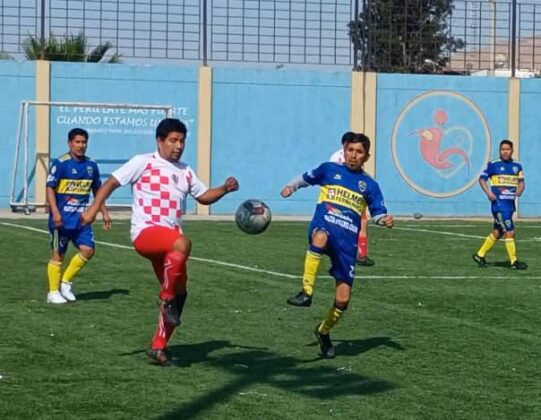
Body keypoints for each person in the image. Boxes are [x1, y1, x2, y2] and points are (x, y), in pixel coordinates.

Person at [81, 118, 239, 366]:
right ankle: (166, 300)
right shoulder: (143, 162)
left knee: (181, 294)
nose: (178, 146)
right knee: (182, 246)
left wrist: (224, 189)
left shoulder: (185, 171)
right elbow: (111, 182)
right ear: (160, 141)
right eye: (173, 140)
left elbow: (204, 196)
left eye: (182, 141)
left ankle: (158, 347)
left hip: (169, 241)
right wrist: (93, 210)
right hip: (147, 233)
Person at [281, 132, 394, 358]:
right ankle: (306, 291)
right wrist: (291, 187)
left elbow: (378, 213)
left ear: (366, 156)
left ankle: (323, 332)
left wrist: (384, 220)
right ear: (344, 151)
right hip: (324, 227)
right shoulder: (329, 169)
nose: (353, 155)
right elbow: (306, 178)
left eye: (359, 152)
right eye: (350, 150)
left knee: (342, 300)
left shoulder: (369, 185)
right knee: (320, 236)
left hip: (346, 243)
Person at [46, 128, 111, 304]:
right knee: (58, 255)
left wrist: (104, 212)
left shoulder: (91, 165)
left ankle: (65, 283)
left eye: (83, 142)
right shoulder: (60, 163)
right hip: (61, 220)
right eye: (77, 142)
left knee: (88, 250)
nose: (81, 145)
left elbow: (98, 191)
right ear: (69, 143)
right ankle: (52, 292)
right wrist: (55, 212)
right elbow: (50, 187)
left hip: (82, 220)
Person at [472, 139, 527, 270]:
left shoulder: (517, 166)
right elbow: (482, 179)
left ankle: (480, 255)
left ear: (512, 150)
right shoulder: (493, 165)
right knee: (510, 231)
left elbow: (521, 183)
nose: (505, 152)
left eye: (507, 149)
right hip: (499, 206)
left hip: (509, 206)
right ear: (500, 151)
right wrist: (488, 193)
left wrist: (520, 190)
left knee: (498, 232)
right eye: (502, 149)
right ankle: (514, 262)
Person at [329, 131, 374, 266]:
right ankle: (358, 254)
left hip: (345, 194)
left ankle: (358, 254)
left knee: (359, 221)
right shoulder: (339, 156)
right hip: (345, 195)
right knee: (355, 221)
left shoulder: (340, 155)